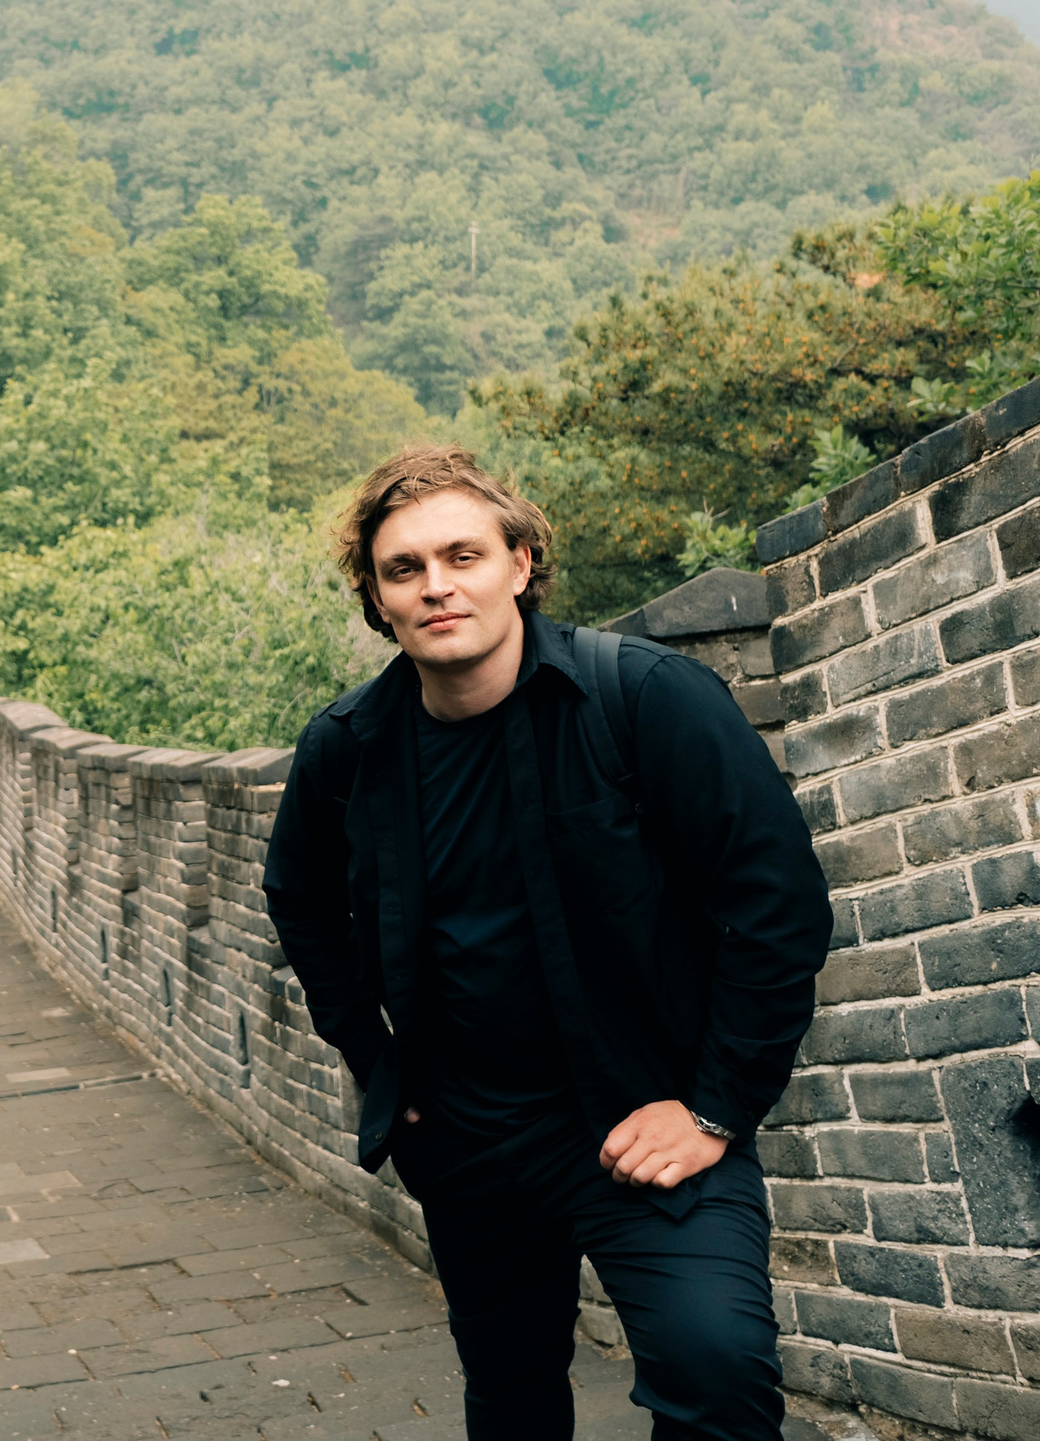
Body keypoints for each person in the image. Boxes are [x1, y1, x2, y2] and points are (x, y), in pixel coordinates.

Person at [262, 445, 832, 1441]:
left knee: (716, 1369)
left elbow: (776, 904)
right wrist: (381, 1067)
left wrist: (714, 1105)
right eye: (404, 570)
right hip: (468, 1142)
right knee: (513, 1397)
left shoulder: (644, 700)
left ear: (519, 563)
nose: (437, 586)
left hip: (644, 1121)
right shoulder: (347, 751)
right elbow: (299, 901)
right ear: (377, 600)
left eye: (463, 555)